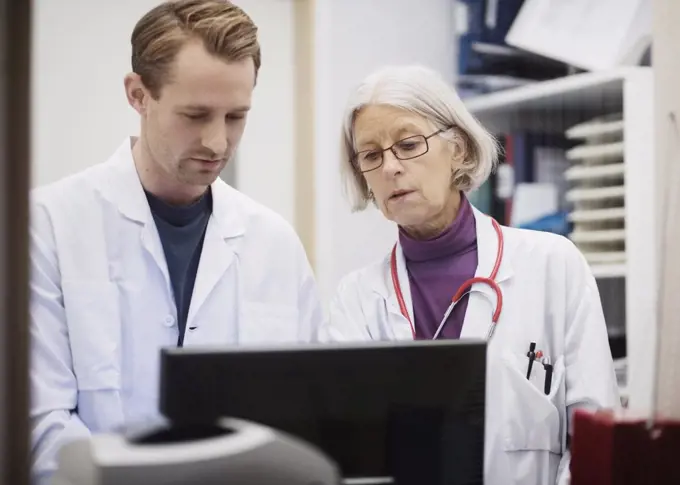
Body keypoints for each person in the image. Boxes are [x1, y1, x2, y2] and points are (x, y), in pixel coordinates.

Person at [29, 1, 323, 483]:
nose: (216, 142)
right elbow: (40, 428)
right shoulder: (47, 225)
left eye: (235, 117)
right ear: (138, 94)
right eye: (195, 114)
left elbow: (305, 420)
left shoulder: (274, 245)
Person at [320, 65, 620, 485]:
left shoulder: (553, 264)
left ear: (457, 148)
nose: (390, 167)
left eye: (408, 144)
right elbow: (352, 456)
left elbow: (595, 436)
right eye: (371, 155)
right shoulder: (356, 301)